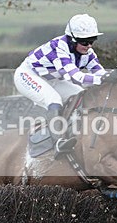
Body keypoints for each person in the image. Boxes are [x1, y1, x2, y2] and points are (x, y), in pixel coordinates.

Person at [14, 13, 107, 158]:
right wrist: (103, 79)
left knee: (82, 96)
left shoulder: (88, 52)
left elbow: (100, 72)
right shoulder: (59, 48)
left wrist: (115, 76)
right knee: (54, 100)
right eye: (84, 42)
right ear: (72, 39)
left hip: (53, 79)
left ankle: (75, 131)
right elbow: (77, 77)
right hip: (28, 75)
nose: (88, 46)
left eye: (92, 41)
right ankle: (58, 142)